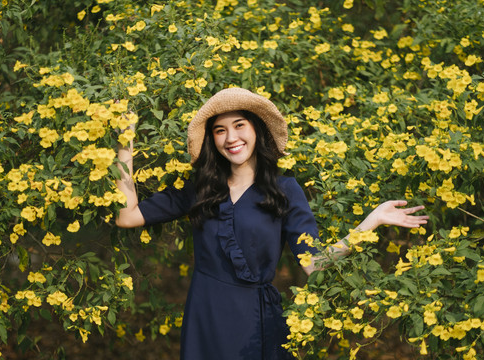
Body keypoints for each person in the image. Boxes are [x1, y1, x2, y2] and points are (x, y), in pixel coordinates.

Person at [115, 88, 429, 360]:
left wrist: (370, 222)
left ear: (257, 129)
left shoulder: (285, 190)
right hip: (205, 315)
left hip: (253, 319)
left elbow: (315, 264)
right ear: (212, 139)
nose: (231, 138)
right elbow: (127, 216)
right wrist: (124, 143)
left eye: (239, 125)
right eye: (220, 130)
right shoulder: (201, 188)